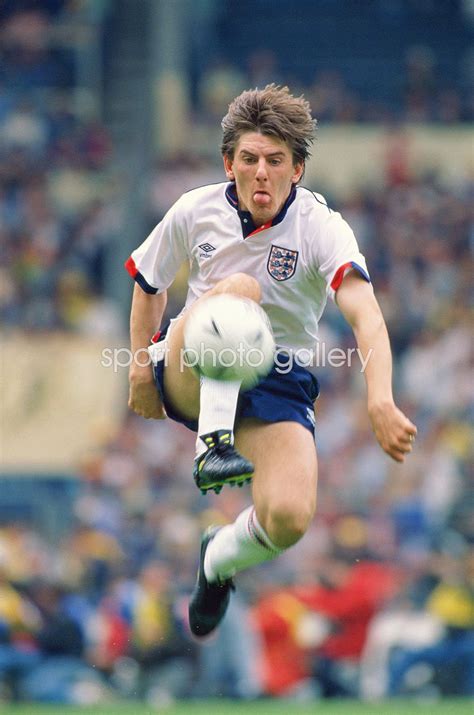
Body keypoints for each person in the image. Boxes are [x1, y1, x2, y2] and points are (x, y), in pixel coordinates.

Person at [125, 85, 417, 638]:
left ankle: (217, 562)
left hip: (276, 380)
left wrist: (380, 397)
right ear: (229, 162)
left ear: (297, 169)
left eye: (276, 161)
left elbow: (367, 316)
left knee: (288, 518)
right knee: (239, 289)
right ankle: (213, 445)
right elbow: (148, 282)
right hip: (191, 362)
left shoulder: (321, 228)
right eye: (250, 159)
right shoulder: (194, 209)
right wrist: (140, 367)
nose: (262, 172)